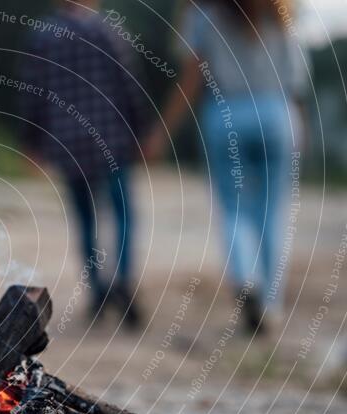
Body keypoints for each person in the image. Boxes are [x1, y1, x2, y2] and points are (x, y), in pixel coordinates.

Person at [145, 0, 307, 334]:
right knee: (271, 213)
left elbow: (192, 81)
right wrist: (299, 127)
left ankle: (245, 278)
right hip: (277, 113)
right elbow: (296, 78)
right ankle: (271, 305)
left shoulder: (204, 18)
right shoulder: (281, 13)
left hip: (227, 114)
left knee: (234, 210)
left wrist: (162, 133)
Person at [19, 0, 147, 328]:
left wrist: (30, 140)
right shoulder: (108, 30)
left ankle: (99, 290)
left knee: (85, 219)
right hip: (111, 136)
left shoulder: (44, 36)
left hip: (67, 141)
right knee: (122, 213)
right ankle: (122, 279)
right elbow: (128, 84)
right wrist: (141, 132)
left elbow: (33, 93)